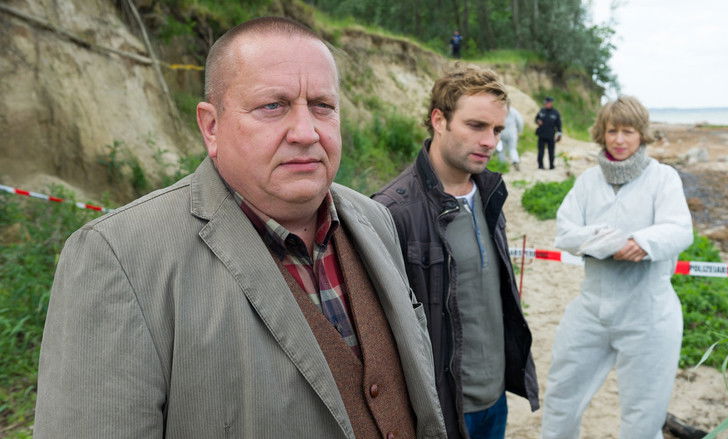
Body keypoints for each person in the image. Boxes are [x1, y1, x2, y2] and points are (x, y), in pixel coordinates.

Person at [34, 17, 447, 439]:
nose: (306, 132)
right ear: (211, 127)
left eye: (322, 105)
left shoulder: (375, 219)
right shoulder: (118, 257)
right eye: (273, 106)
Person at [373, 65, 539, 439]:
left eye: (497, 130)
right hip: (441, 409)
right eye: (476, 126)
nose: (490, 141)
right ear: (439, 120)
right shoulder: (392, 211)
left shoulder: (489, 192)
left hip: (495, 398)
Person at [540, 96, 693, 439]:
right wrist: (608, 242)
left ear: (642, 134)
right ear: (602, 133)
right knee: (562, 397)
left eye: (628, 131)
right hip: (592, 309)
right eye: (612, 131)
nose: (619, 140)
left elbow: (679, 229)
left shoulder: (663, 178)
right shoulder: (588, 181)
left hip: (649, 313)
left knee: (643, 414)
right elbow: (565, 232)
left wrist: (641, 242)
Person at [534, 96, 562, 169]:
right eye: (545, 103)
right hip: (542, 134)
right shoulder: (542, 111)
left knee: (551, 151)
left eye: (548, 103)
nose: (546, 104)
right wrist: (538, 121)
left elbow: (559, 125)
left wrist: (559, 134)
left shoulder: (555, 113)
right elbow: (536, 119)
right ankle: (540, 165)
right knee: (541, 151)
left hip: (551, 135)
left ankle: (551, 165)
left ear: (551, 103)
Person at [496, 105, 524, 171]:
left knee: (501, 150)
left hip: (502, 133)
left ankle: (502, 164)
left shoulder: (499, 111)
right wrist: (520, 131)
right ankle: (515, 161)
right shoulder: (514, 111)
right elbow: (520, 122)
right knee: (512, 149)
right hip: (512, 134)